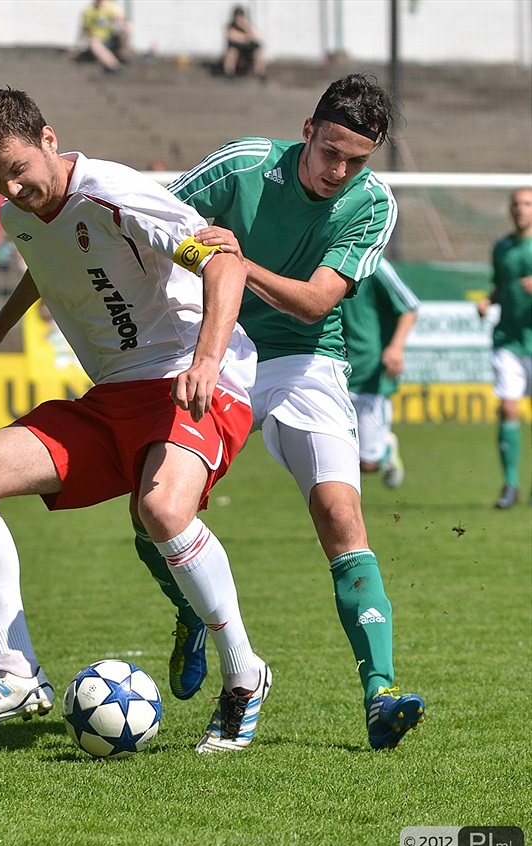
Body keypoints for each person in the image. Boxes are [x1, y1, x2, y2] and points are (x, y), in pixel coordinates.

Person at [0, 86, 271, 755]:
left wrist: (205, 360)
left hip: (193, 377)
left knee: (163, 511)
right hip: (112, 396)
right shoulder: (17, 215)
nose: (11, 187)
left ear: (49, 139)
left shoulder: (117, 192)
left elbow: (225, 263)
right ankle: (15, 669)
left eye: (18, 168)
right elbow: (49, 259)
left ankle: (244, 677)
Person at [140, 73, 425, 750]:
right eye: (331, 151)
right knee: (154, 509)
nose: (339, 170)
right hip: (215, 346)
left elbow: (314, 302)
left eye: (357, 159)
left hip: (305, 359)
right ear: (306, 130)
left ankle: (380, 693)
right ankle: (190, 609)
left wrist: (236, 263)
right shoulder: (241, 166)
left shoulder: (371, 203)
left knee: (340, 512)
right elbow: (145, 226)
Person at [341, 258, 420, 488]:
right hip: (333, 369)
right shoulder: (319, 258)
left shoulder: (375, 264)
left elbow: (410, 307)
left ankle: (385, 450)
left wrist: (396, 347)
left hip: (370, 374)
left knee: (367, 464)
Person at [476, 187, 532, 509]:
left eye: (526, 204)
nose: (520, 209)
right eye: (516, 204)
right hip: (508, 340)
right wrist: (488, 300)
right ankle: (511, 485)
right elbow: (500, 285)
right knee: (508, 408)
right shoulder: (502, 247)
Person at [76, 0, 131, 74]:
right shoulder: (89, 11)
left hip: (111, 39)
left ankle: (123, 55)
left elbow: (124, 20)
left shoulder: (112, 7)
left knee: (127, 27)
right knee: (94, 42)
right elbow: (84, 30)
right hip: (97, 42)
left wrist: (115, 15)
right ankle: (115, 66)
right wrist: (77, 46)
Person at [222, 6, 266, 81]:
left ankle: (260, 74)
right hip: (237, 50)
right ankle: (229, 73)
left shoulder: (248, 26)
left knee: (258, 52)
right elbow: (234, 36)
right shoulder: (230, 27)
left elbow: (257, 36)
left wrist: (245, 26)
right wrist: (247, 37)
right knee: (232, 52)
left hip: (248, 51)